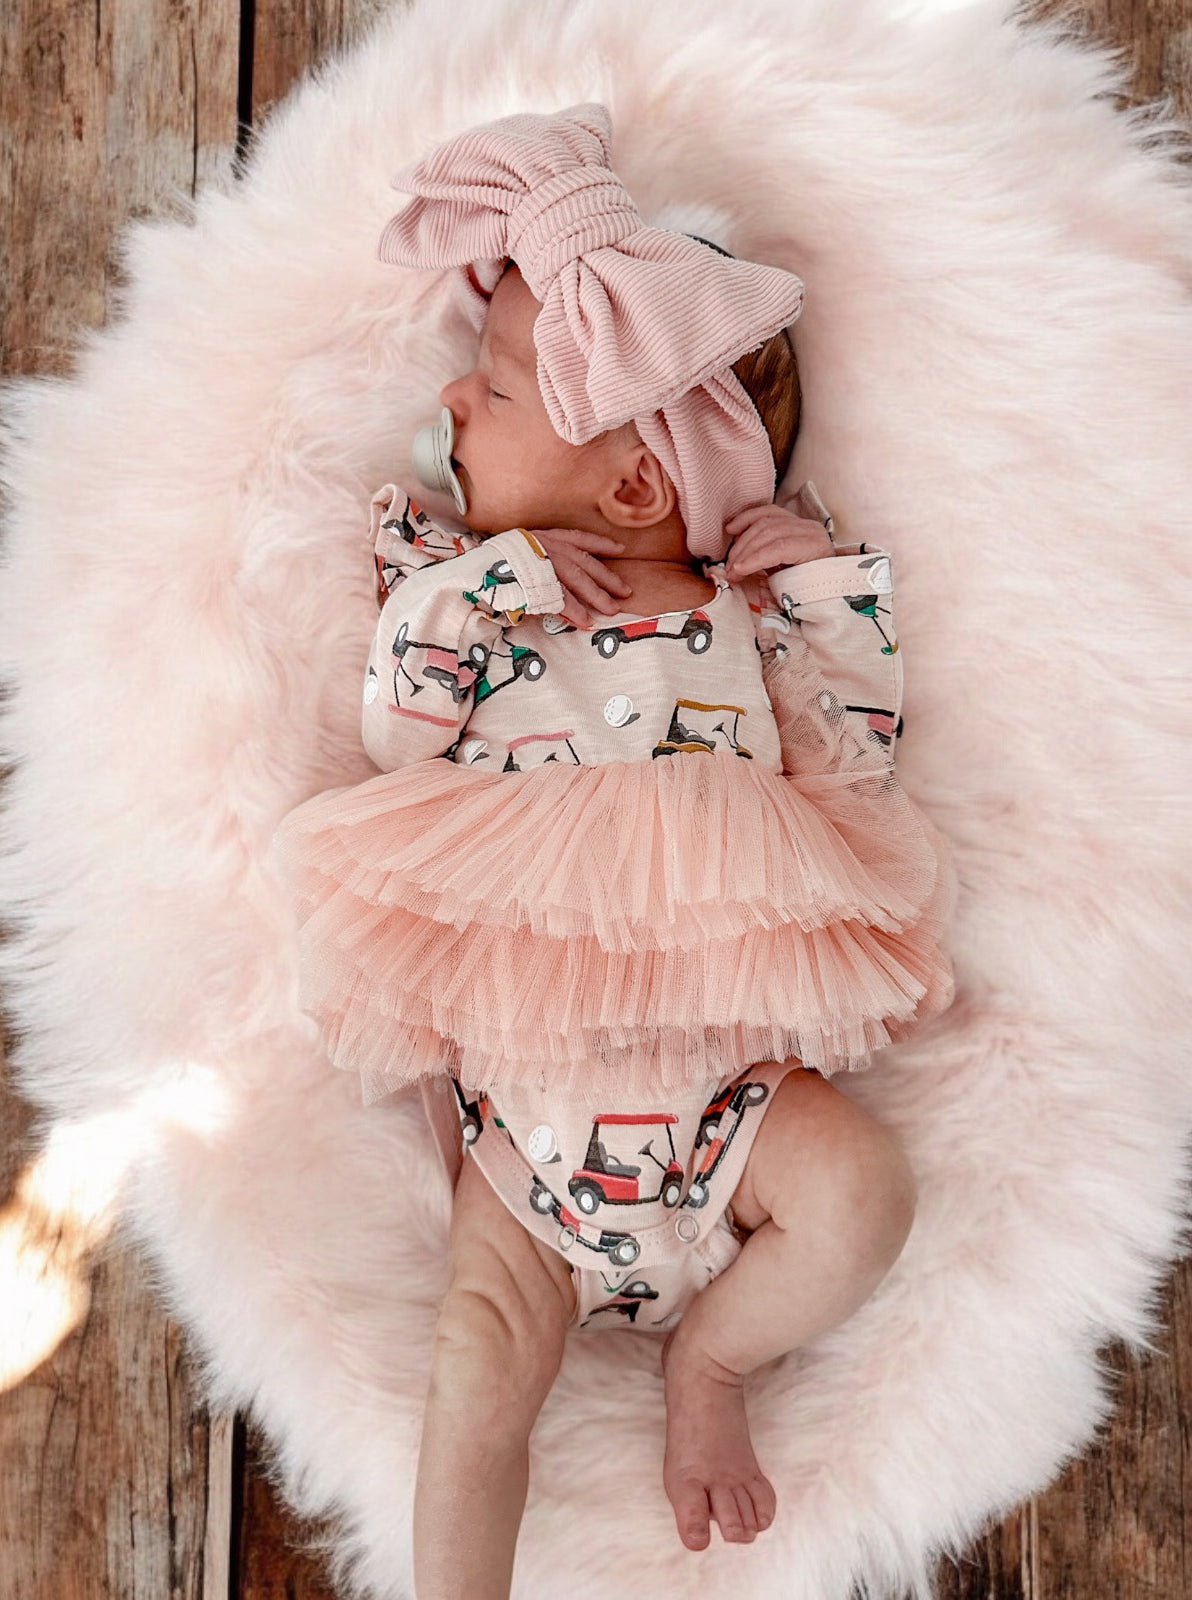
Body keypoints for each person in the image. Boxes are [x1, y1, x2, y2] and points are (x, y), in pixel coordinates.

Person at [273, 103, 955, 1599]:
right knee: (478, 1361)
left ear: (638, 486)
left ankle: (712, 1359)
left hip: (734, 1118)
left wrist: (818, 596)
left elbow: (850, 754)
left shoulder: (739, 614)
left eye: (503, 387)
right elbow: (400, 729)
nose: (455, 397)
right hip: (533, 1147)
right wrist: (491, 575)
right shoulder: (468, 589)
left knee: (870, 1197)